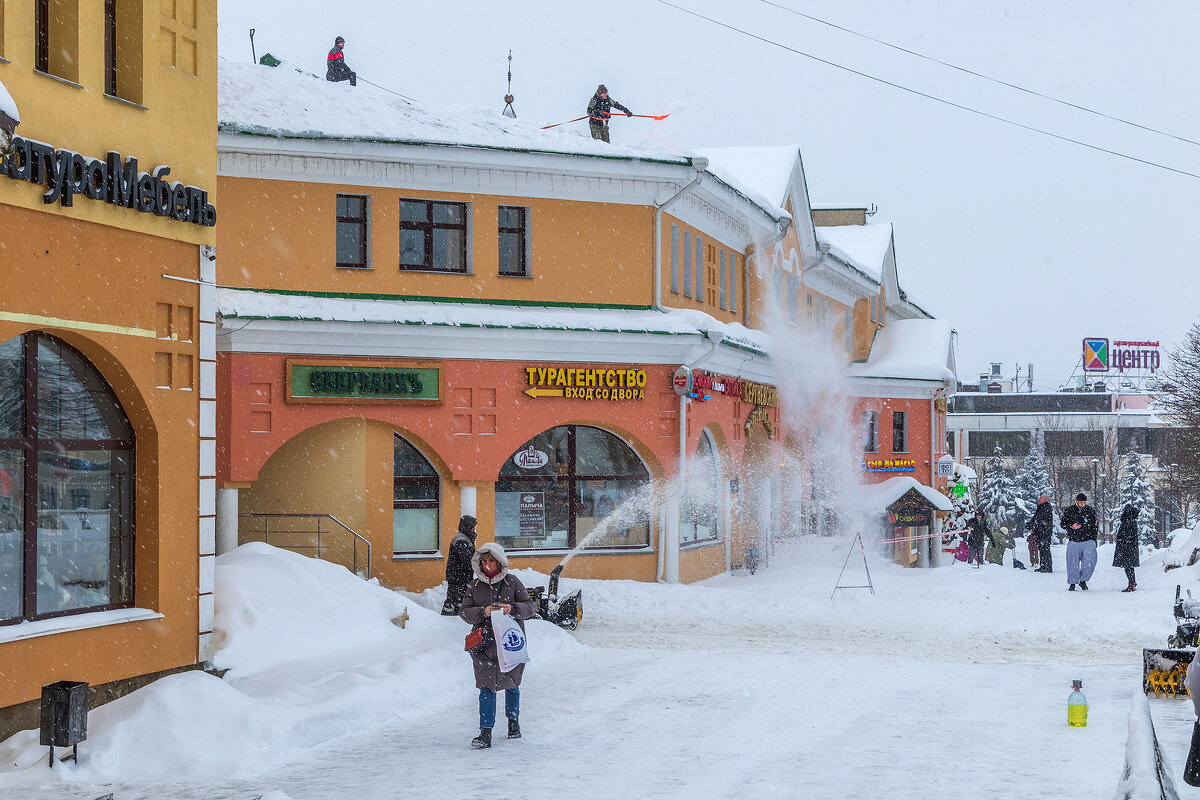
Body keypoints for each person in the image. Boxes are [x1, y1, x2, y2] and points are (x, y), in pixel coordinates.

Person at [459, 542, 534, 749]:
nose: (488, 565)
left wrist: (512, 608)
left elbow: (529, 608)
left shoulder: (512, 582)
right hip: (484, 645)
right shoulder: (474, 586)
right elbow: (464, 612)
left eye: (491, 561)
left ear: (500, 562)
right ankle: (485, 732)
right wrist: (483, 612)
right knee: (486, 687)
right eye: (484, 561)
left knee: (512, 684)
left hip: (510, 643)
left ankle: (513, 722)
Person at [1060, 493, 1099, 591]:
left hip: (1088, 540)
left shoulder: (1090, 511)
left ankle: (1083, 580)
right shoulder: (1069, 511)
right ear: (1077, 501)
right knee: (1072, 563)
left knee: (1089, 562)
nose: (1083, 504)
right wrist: (1071, 526)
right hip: (1074, 540)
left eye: (1084, 502)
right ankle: (1072, 583)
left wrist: (1093, 539)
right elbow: (1063, 524)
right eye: (1081, 502)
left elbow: (1095, 526)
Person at [441, 515, 477, 615]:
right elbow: (467, 559)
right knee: (452, 601)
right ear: (467, 527)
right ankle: (445, 619)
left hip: (462, 576)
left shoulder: (467, 538)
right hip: (457, 577)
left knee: (461, 600)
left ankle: (457, 618)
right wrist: (479, 565)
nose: (474, 529)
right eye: (472, 526)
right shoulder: (461, 540)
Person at [1113, 503, 1141, 592]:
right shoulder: (1132, 521)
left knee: (1127, 567)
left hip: (1126, 548)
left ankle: (1131, 583)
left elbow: (1126, 536)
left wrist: (1122, 543)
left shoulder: (1128, 522)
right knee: (1130, 567)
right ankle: (1132, 583)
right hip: (1130, 548)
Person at [1026, 495, 1054, 573]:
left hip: (1045, 532)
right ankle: (1043, 566)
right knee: (1042, 549)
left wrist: (1038, 528)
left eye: (1041, 498)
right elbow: (1036, 518)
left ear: (1045, 500)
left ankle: (1047, 567)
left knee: (1045, 549)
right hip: (1041, 532)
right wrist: (1030, 524)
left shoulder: (1046, 508)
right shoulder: (1041, 508)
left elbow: (1041, 520)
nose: (1039, 499)